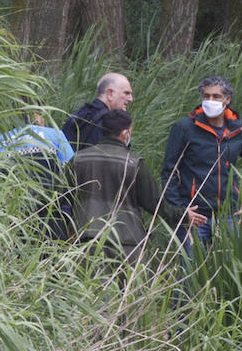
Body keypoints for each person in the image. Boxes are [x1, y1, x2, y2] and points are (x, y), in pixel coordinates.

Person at [65, 109, 205, 267]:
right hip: (128, 244)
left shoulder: (78, 160)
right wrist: (183, 215)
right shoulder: (134, 163)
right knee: (128, 291)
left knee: (92, 290)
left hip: (87, 241)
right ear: (125, 133)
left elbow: (60, 200)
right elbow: (156, 205)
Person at [160, 75, 242, 260]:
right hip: (194, 215)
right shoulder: (185, 128)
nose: (210, 101)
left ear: (227, 99)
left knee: (231, 272)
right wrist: (180, 210)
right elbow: (169, 171)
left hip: (228, 215)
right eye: (206, 96)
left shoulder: (238, 130)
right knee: (187, 274)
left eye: (216, 97)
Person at [0, 114, 75, 240]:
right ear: (41, 118)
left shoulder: (0, 141)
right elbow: (71, 171)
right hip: (51, 215)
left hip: (15, 218)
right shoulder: (55, 135)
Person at [62, 72, 134, 152]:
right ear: (110, 94)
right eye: (126, 93)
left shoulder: (77, 116)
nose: (131, 99)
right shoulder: (108, 123)